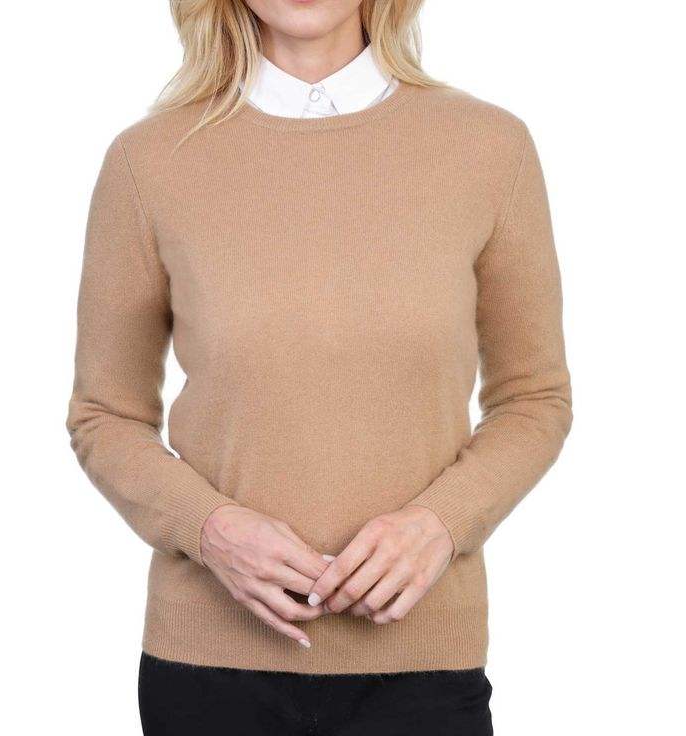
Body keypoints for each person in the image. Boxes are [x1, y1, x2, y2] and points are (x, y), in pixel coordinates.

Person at [67, 1, 572, 733]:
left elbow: (535, 397)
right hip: (209, 675)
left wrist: (441, 523)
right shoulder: (149, 161)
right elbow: (104, 415)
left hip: (422, 672)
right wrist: (209, 528)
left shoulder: (489, 148)